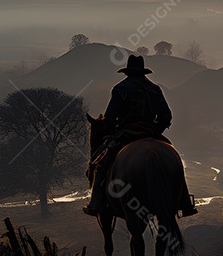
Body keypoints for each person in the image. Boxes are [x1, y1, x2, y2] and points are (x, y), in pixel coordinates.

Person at [83, 54, 198, 217]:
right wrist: (155, 131)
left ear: (127, 72)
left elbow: (109, 118)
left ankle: (96, 203)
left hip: (125, 133)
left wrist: (114, 131)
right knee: (174, 159)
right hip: (151, 132)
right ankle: (185, 202)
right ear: (143, 72)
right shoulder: (155, 89)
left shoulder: (120, 88)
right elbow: (166, 116)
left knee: (101, 162)